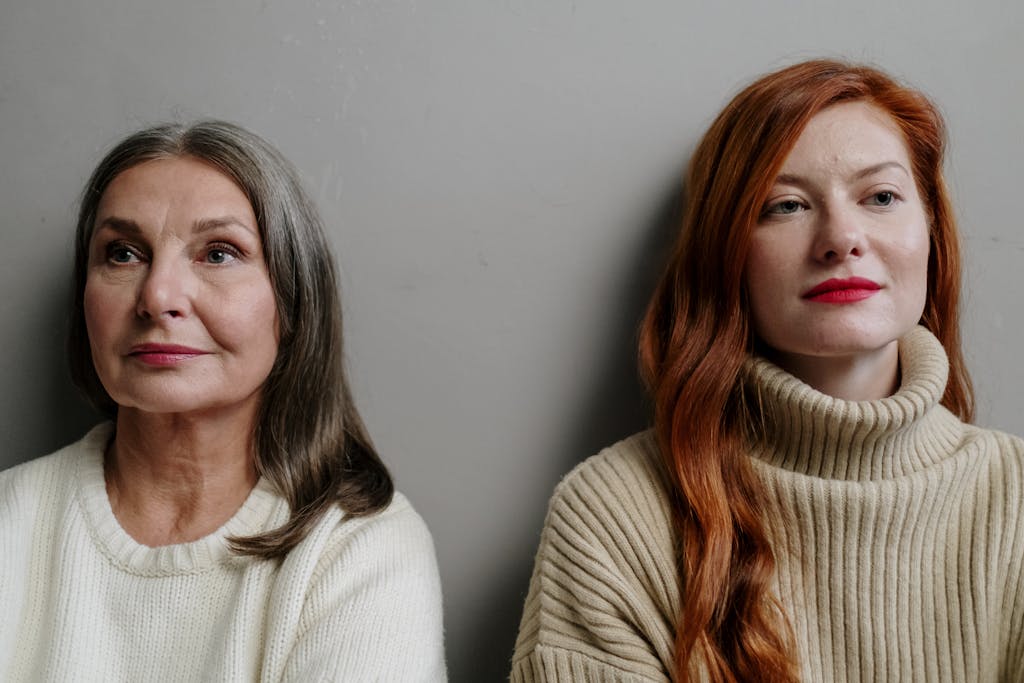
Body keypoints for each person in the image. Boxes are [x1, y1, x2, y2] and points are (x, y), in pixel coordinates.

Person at [511, 60, 1024, 682]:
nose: (841, 238)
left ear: (932, 234)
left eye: (881, 197)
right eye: (786, 206)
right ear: (727, 255)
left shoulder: (1016, 497)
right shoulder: (612, 518)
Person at [0, 121, 446, 681]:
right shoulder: (10, 519)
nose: (158, 297)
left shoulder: (359, 552)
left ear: (292, 302)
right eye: (122, 253)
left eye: (218, 253)